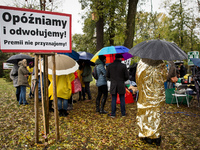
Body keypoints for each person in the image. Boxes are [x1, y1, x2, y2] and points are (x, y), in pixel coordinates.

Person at [136, 58, 167, 146]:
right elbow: (164, 77)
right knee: (155, 115)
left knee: (144, 114)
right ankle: (156, 137)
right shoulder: (161, 63)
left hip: (145, 94)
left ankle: (146, 135)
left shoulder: (142, 62)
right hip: (156, 94)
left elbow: (137, 78)